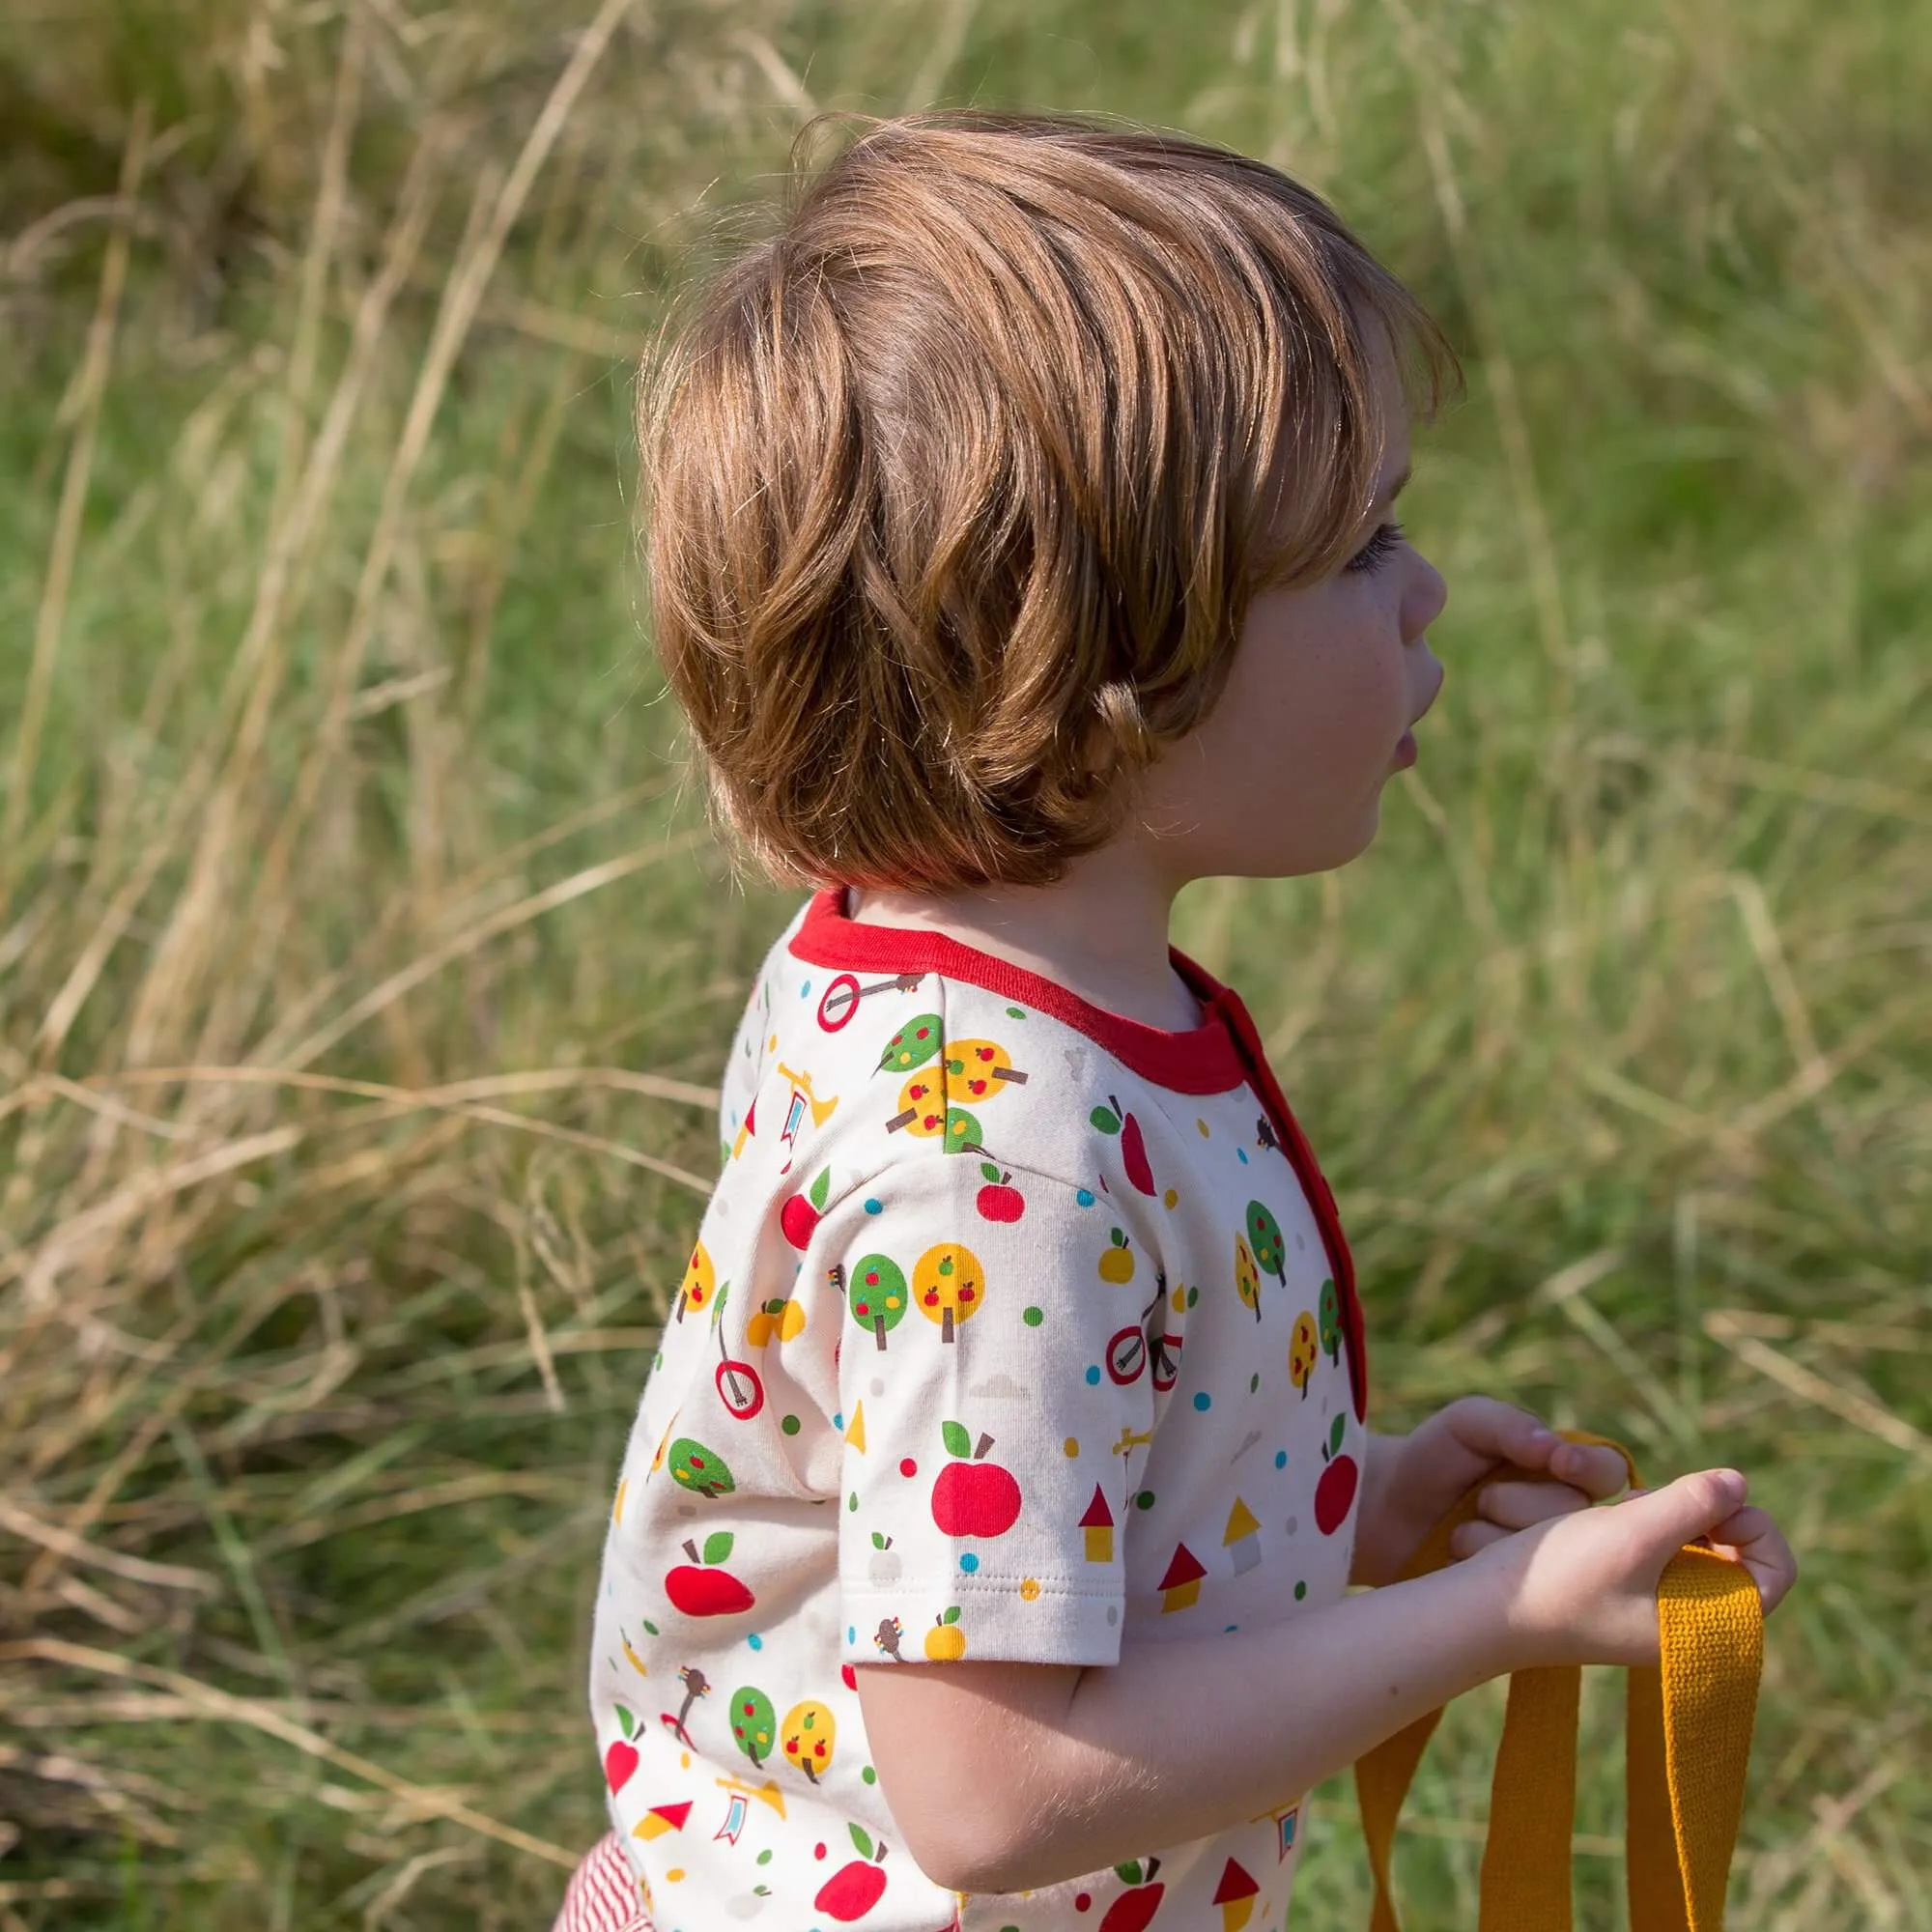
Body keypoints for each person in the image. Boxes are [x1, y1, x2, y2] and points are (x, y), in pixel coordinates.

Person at [551, 112, 1797, 1932]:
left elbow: (973, 1503)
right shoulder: (998, 1165)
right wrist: (1484, 1622)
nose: (1427, 589)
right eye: (1364, 544)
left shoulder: (911, 972)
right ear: (1118, 666)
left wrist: (1336, 1513)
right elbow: (992, 1791)